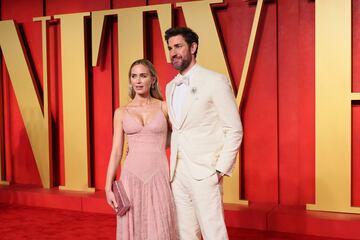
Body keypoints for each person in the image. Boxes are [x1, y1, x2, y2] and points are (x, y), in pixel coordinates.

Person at [164, 27, 243, 240]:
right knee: (185, 233)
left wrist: (219, 170)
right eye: (170, 48)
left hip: (205, 170)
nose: (173, 52)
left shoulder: (215, 81)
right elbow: (178, 131)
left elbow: (234, 128)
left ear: (193, 47)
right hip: (177, 172)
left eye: (178, 46)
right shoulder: (170, 87)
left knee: (213, 232)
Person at [105, 59, 178, 240]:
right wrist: (107, 187)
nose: (138, 81)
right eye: (134, 76)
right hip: (131, 178)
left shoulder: (164, 107)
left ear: (152, 79)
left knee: (161, 227)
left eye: (143, 76)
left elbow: (177, 139)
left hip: (159, 176)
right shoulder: (121, 112)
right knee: (133, 228)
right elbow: (116, 152)